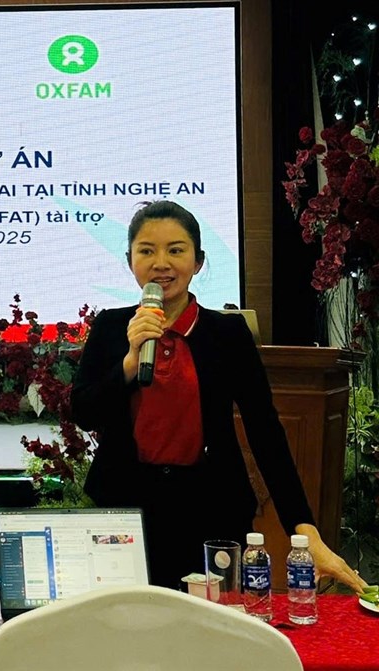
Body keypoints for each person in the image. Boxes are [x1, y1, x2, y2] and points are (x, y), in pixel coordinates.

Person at [70, 200, 367, 592]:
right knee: (130, 622)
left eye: (176, 250)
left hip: (211, 512)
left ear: (198, 261)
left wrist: (304, 528)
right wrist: (128, 362)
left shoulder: (227, 335)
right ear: (130, 261)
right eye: (147, 251)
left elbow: (265, 432)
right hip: (126, 512)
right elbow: (85, 413)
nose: (161, 263)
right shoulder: (111, 327)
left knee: (210, 623)